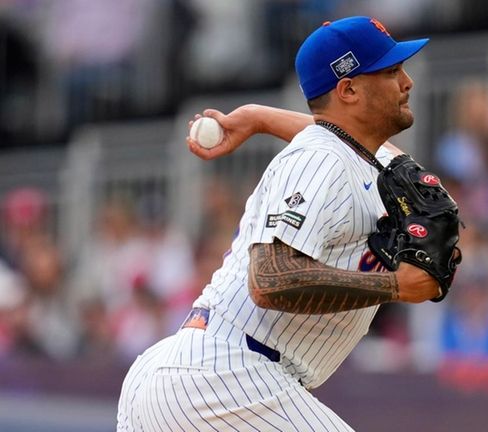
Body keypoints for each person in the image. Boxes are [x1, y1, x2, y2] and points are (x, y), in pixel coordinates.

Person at [117, 16, 442, 431]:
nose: (407, 82)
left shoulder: (347, 158)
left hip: (197, 376)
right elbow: (270, 279)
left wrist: (259, 118)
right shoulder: (320, 159)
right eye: (392, 71)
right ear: (348, 89)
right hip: (225, 378)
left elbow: (374, 153)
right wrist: (397, 286)